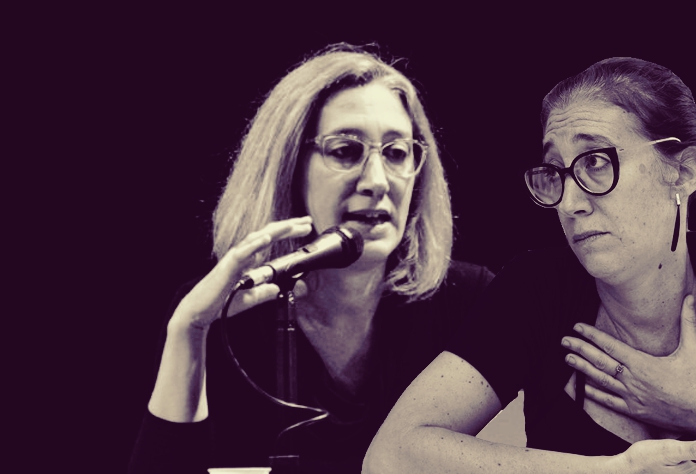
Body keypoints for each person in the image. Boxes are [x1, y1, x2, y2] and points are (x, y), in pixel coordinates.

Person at [364, 57, 696, 473]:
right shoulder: (535, 288)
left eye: (596, 162)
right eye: (556, 172)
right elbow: (392, 456)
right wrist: (613, 473)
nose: (570, 202)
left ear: (682, 172)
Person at [127, 44, 495, 474]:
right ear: (289, 167)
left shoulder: (471, 301)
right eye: (345, 151)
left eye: (396, 152)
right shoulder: (223, 314)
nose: (377, 181)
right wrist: (188, 331)